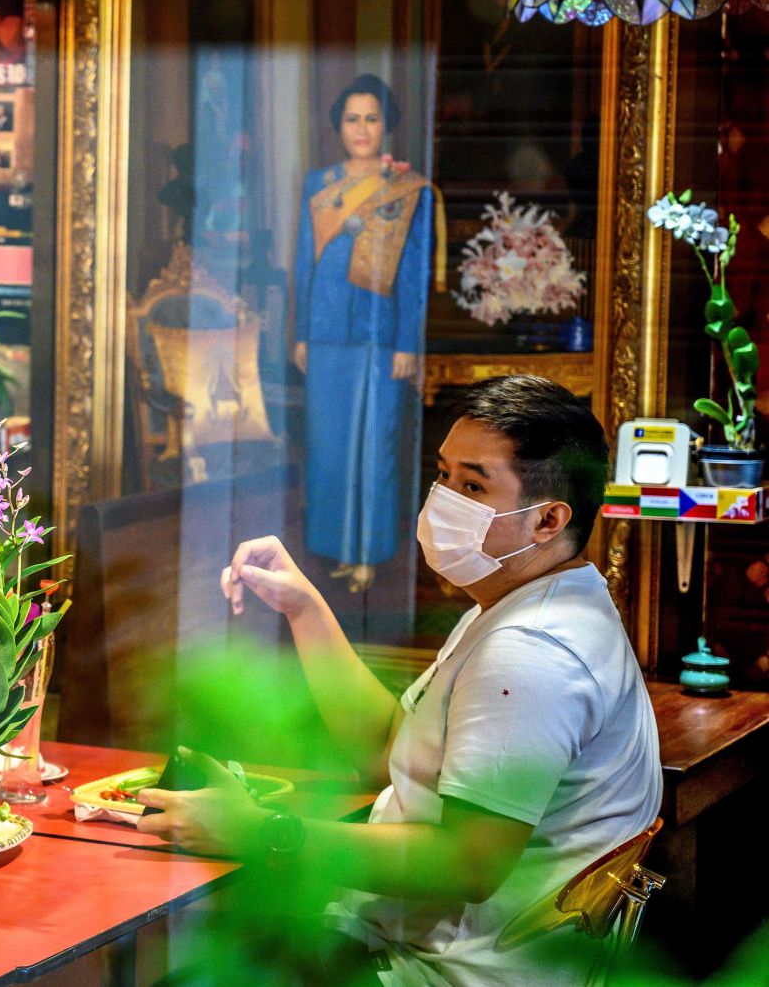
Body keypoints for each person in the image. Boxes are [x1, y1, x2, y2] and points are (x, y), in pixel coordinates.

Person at [140, 376, 662, 986]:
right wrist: (304, 608)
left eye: (473, 485)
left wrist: (260, 832)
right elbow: (390, 751)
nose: (444, 499)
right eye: (443, 476)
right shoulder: (523, 601)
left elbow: (466, 863)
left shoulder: (530, 654)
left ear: (547, 520)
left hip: (435, 972)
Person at [293, 75, 434, 594]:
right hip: (328, 333)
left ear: (386, 123)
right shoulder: (318, 184)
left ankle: (369, 554)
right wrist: (302, 333)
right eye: (352, 118)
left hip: (380, 336)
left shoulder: (407, 187)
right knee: (328, 446)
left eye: (371, 118)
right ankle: (335, 549)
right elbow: (304, 261)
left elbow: (416, 274)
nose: (361, 128)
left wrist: (406, 344)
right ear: (338, 125)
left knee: (375, 446)